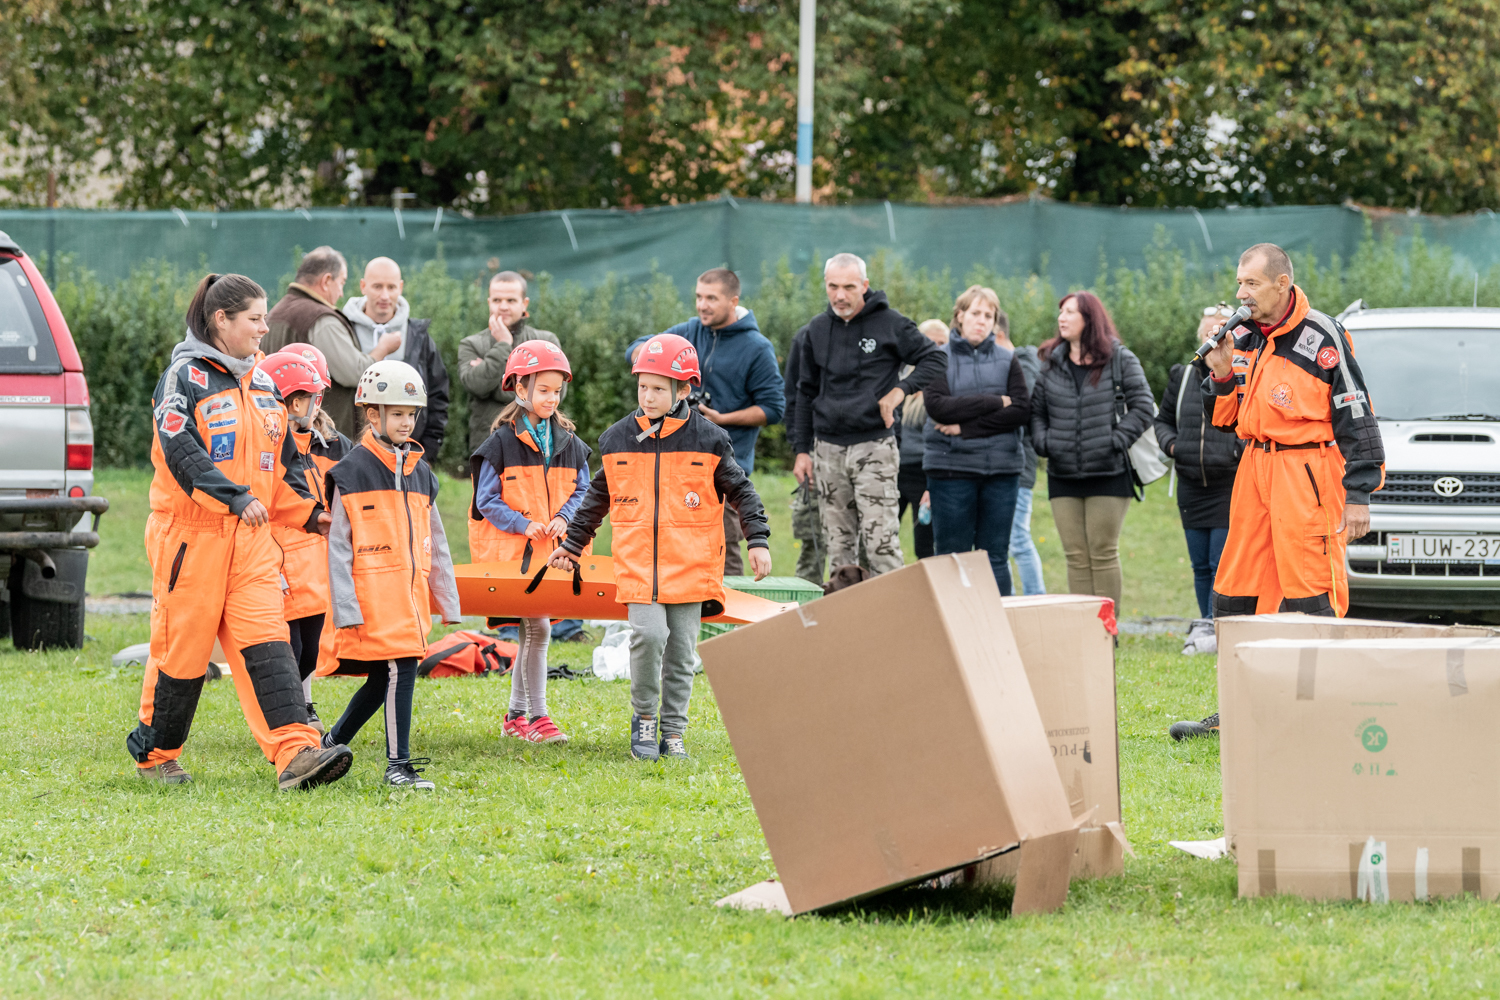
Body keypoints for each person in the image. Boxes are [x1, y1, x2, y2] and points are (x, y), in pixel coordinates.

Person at [128, 273, 354, 791]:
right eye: (254, 318)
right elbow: (181, 452)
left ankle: (295, 754)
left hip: (252, 542)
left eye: (264, 315)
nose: (265, 325)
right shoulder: (182, 379)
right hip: (192, 537)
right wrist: (234, 497)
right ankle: (157, 753)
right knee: (181, 655)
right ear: (220, 321)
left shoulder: (264, 382)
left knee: (268, 645)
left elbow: (288, 461)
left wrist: (309, 514)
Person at [1170, 244, 1383, 741]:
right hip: (1254, 471)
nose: (1240, 294)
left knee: (1312, 594)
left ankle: (1325, 716)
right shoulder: (1241, 335)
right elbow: (1224, 418)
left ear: (1282, 284)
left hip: (1307, 472)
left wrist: (1359, 493)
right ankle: (1238, 711)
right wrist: (1220, 372)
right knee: (1234, 593)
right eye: (1239, 283)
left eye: (1251, 284)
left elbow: (1357, 415)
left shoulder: (1323, 336)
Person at [550, 333, 772, 761]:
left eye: (657, 388)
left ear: (683, 390)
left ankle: (673, 732)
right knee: (649, 636)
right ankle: (644, 722)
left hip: (692, 568)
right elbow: (597, 497)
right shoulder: (617, 439)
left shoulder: (709, 439)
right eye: (642, 387)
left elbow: (743, 492)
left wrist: (757, 540)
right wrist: (573, 545)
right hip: (638, 568)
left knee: (682, 651)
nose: (647, 396)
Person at [322, 360, 463, 789]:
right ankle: (397, 766)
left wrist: (447, 600)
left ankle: (330, 744)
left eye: (412, 413)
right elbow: (338, 547)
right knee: (400, 668)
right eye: (397, 413)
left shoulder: (422, 474)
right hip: (372, 597)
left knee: (384, 675)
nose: (407, 422)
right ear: (372, 414)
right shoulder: (350, 472)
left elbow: (436, 541)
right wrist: (345, 606)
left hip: (411, 597)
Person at [791, 253, 945, 576]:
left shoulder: (891, 323)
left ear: (865, 285)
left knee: (880, 544)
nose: (840, 296)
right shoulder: (816, 331)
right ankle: (846, 623)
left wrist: (901, 389)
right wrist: (801, 450)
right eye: (833, 286)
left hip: (874, 446)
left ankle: (893, 622)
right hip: (827, 449)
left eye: (848, 287)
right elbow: (804, 393)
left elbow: (935, 359)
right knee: (839, 546)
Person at [469, 342, 592, 745]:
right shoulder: (500, 444)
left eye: (557, 391)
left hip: (552, 558)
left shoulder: (570, 443)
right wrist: (522, 524)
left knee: (533, 631)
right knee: (537, 629)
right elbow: (486, 500)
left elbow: (584, 491)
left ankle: (516, 716)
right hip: (515, 559)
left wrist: (563, 518)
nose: (551, 398)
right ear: (520, 390)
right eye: (543, 390)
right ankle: (536, 717)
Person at [627, 268, 785, 575]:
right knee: (672, 551)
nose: (702, 305)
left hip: (724, 471)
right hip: (676, 464)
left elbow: (774, 408)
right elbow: (639, 345)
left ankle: (732, 623)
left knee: (722, 551)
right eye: (699, 297)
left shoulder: (757, 347)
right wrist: (643, 357)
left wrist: (722, 419)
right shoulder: (688, 331)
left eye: (711, 298)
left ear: (733, 300)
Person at [1030, 291, 1154, 613]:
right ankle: (1083, 629)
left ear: (1090, 319)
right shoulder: (1051, 361)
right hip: (1063, 473)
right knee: (1074, 554)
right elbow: (1036, 413)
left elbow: (1143, 407)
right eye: (1061, 311)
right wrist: (1045, 443)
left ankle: (1106, 632)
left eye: (1070, 312)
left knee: (1102, 551)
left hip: (1109, 472)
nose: (1062, 318)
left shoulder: (1120, 358)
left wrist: (1114, 441)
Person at [923, 285, 1031, 594]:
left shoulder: (1009, 359)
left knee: (995, 557)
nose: (981, 321)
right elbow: (939, 407)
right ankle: (951, 633)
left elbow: (1022, 410)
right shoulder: (937, 359)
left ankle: (996, 634)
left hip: (1001, 471)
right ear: (960, 316)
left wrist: (966, 427)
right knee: (951, 557)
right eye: (975, 314)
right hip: (950, 471)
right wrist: (996, 401)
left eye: (989, 315)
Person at [1154, 306, 1245, 655]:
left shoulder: (1240, 372)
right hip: (1190, 482)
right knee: (1198, 563)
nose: (1214, 338)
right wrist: (1174, 446)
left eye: (1220, 332)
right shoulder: (1182, 376)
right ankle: (1205, 620)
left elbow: (1247, 418)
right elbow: (1162, 421)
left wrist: (1235, 451)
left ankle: (1213, 624)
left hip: (1227, 482)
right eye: (1209, 332)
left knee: (1219, 559)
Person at [256, 350, 337, 731]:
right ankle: (290, 721)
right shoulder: (265, 447)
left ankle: (299, 712)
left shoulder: (327, 446)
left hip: (315, 563)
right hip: (278, 558)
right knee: (292, 651)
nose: (310, 406)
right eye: (303, 398)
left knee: (310, 654)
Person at [263, 246, 402, 436]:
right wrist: (383, 348)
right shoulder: (321, 319)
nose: (342, 293)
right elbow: (355, 372)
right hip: (322, 440)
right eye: (342, 283)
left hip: (276, 430)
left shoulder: (275, 313)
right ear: (327, 281)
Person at [341, 257, 450, 456]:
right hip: (350, 450)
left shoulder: (417, 335)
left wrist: (427, 451)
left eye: (391, 287)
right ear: (363, 286)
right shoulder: (343, 329)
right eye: (377, 286)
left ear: (400, 287)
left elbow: (437, 394)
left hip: (408, 454)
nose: (385, 295)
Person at [457, 271, 562, 454]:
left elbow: (556, 392)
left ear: (524, 304)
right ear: (489, 302)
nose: (503, 306)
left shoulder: (547, 341)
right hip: (488, 442)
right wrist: (503, 345)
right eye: (497, 300)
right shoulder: (471, 344)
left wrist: (495, 385)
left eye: (511, 300)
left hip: (539, 441)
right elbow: (477, 385)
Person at [894, 319, 950, 561]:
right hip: (893, 468)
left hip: (923, 471)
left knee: (925, 543)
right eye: (932, 342)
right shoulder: (899, 381)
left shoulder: (945, 386)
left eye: (942, 343)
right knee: (883, 538)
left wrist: (932, 483)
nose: (936, 348)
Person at [998, 319, 1046, 595]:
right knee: (1002, 542)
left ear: (1001, 335)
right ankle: (1009, 601)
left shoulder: (1023, 363)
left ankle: (1035, 598)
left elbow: (1020, 407)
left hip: (1020, 466)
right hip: (1004, 464)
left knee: (1018, 538)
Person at [783, 323, 828, 584]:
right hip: (814, 451)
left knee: (863, 544)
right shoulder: (807, 335)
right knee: (812, 542)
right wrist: (801, 449)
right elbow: (793, 399)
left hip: (863, 451)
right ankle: (806, 614)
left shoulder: (879, 329)